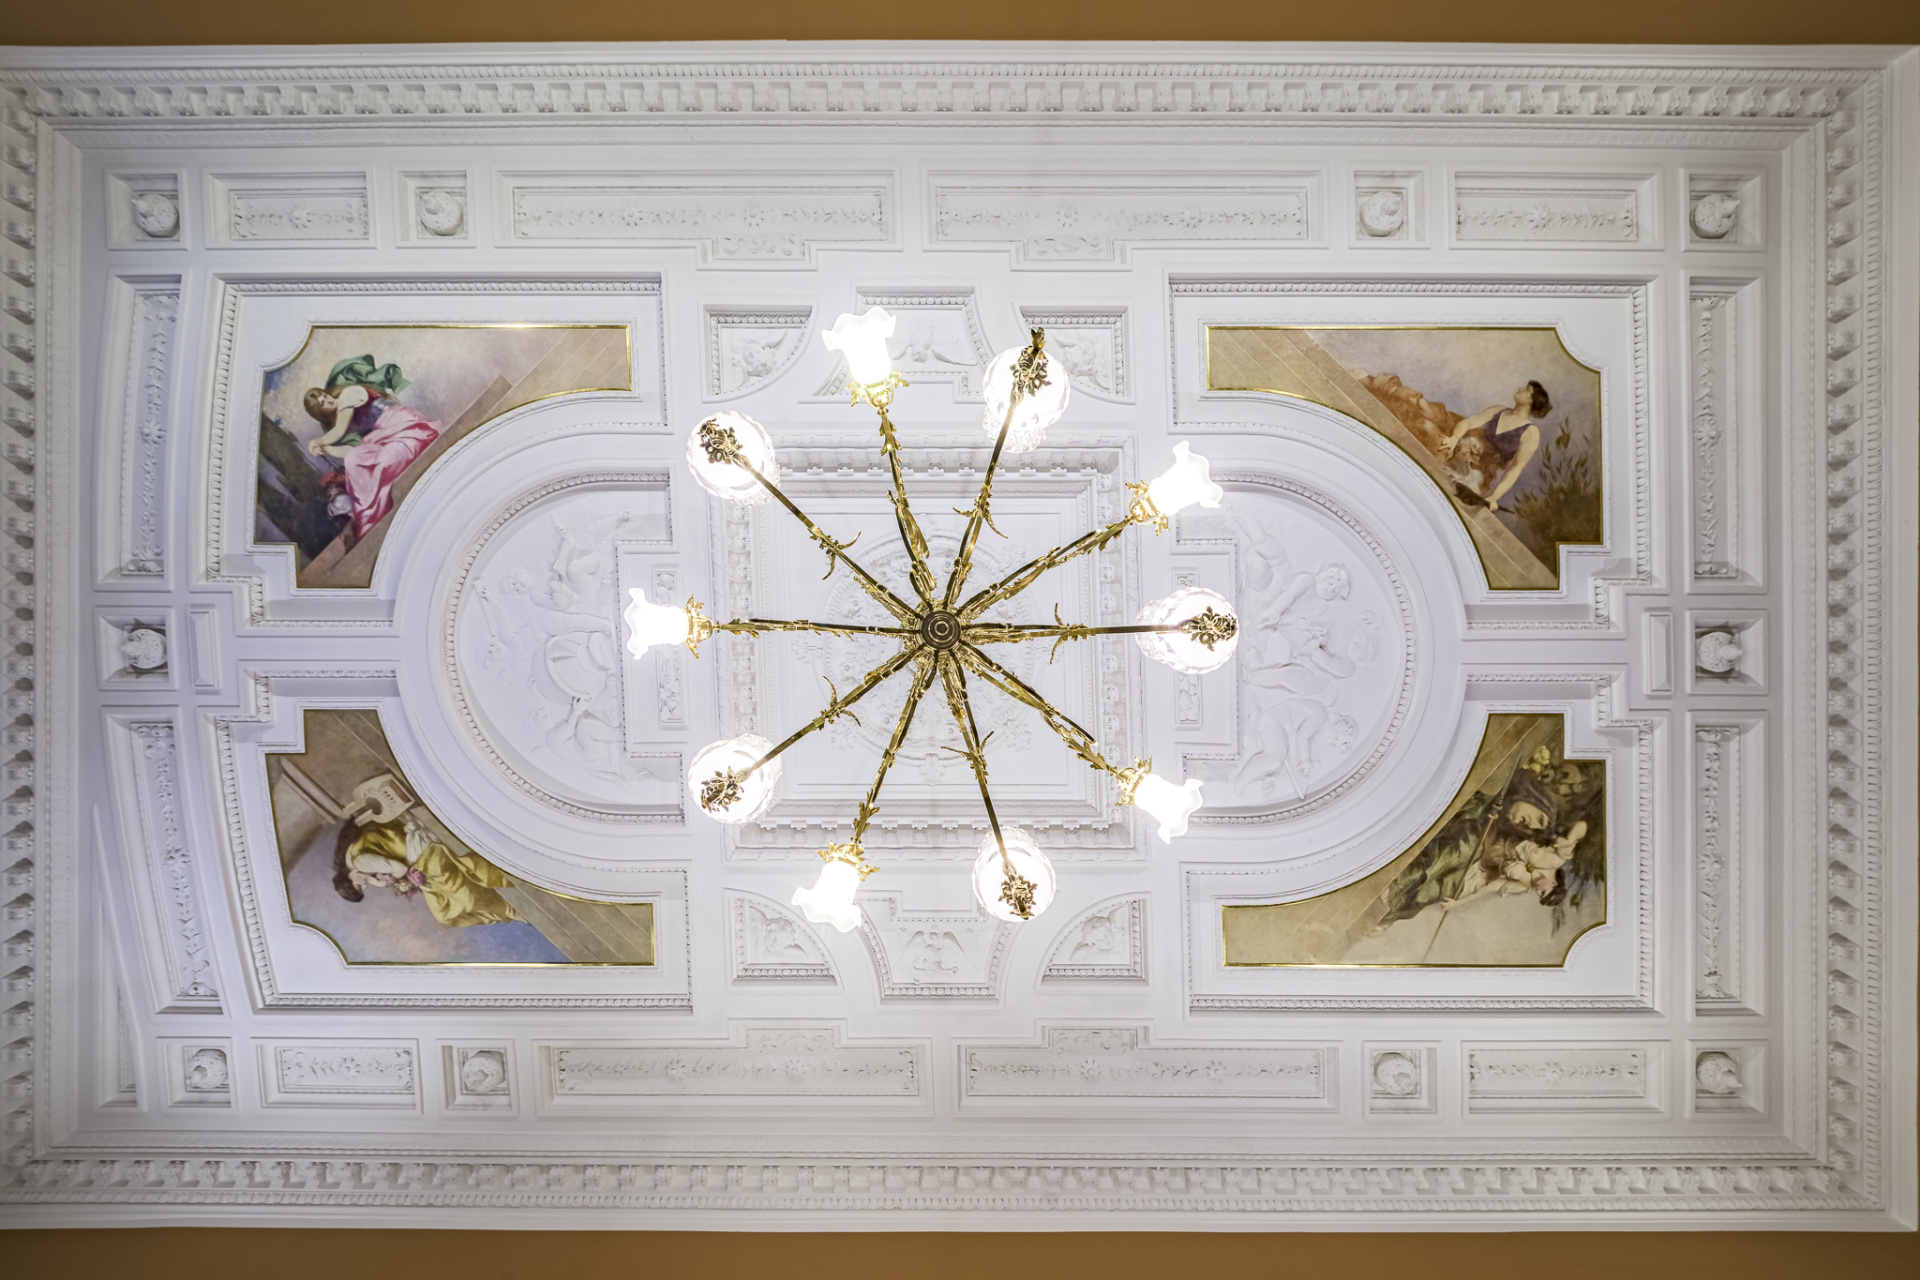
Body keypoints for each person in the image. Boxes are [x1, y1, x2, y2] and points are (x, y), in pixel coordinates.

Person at [302, 355, 442, 542]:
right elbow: (349, 451)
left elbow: (338, 430)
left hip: (400, 422)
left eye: (324, 396)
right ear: (321, 413)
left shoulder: (348, 395)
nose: (327, 401)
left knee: (387, 461)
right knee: (354, 460)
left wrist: (318, 441)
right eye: (322, 404)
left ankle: (376, 511)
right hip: (382, 435)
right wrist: (326, 449)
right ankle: (369, 516)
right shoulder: (344, 420)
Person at [329, 816, 520, 929]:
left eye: (359, 885)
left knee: (455, 904)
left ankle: (508, 909)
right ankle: (504, 910)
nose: (364, 884)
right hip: (416, 857)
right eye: (362, 887)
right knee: (443, 912)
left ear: (349, 878)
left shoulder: (359, 862)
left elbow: (400, 868)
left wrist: (393, 881)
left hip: (421, 851)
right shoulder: (353, 856)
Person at [1440, 380, 1553, 514]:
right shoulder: (1499, 410)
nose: (1520, 388)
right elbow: (1469, 422)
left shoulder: (1531, 433)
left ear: (1531, 400)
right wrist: (1454, 438)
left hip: (1480, 476)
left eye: (1526, 389)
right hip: (1463, 454)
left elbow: (1515, 469)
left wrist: (1494, 497)